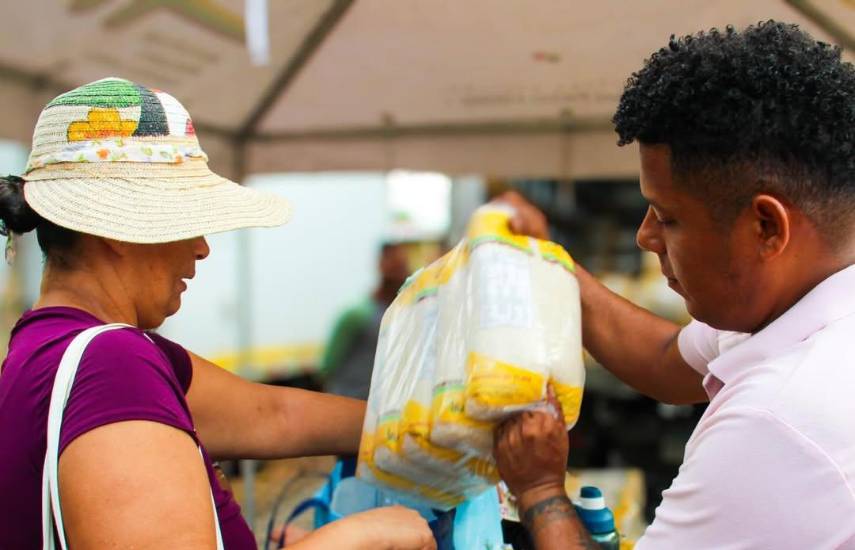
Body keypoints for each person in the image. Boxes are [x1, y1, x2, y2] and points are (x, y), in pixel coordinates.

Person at [0, 77, 435, 550]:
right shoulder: (110, 366)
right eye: (187, 218)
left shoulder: (45, 350)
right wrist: (356, 536)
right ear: (115, 228)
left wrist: (436, 427)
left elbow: (275, 415)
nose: (202, 247)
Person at [494, 21, 855, 549]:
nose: (645, 237)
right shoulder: (804, 306)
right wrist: (545, 263)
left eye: (667, 217)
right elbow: (667, 359)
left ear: (765, 227)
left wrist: (540, 490)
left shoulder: (778, 423)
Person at [321, 242, 410, 400]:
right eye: (394, 266)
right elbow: (328, 366)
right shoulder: (357, 316)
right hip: (349, 401)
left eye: (401, 267)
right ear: (381, 266)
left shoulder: (403, 314)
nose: (398, 273)